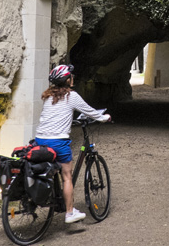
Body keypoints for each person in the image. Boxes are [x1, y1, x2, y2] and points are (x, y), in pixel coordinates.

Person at [34, 64, 111, 224]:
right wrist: (104, 117)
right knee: (67, 176)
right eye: (71, 76)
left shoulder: (48, 97)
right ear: (67, 79)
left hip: (39, 140)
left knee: (52, 169)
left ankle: (54, 197)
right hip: (58, 142)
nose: (73, 78)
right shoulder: (71, 96)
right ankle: (69, 213)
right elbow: (90, 111)